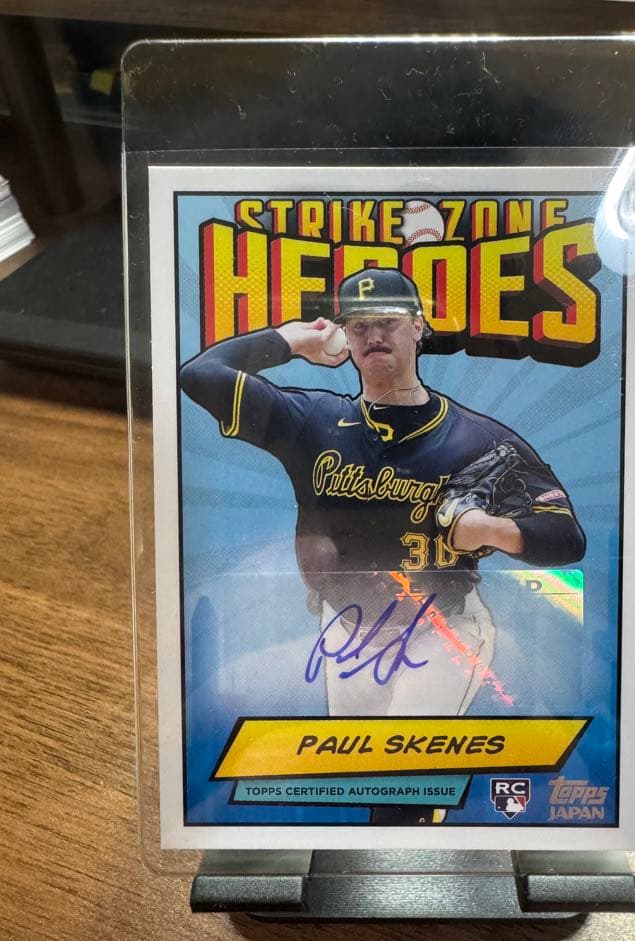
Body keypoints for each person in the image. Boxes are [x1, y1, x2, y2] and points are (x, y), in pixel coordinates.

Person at [180, 268, 585, 824]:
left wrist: (494, 530)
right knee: (372, 786)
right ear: (345, 336)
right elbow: (200, 375)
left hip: (443, 629)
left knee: (402, 790)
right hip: (346, 632)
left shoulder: (481, 439)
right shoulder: (312, 421)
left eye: (388, 322)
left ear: (418, 327)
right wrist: (291, 339)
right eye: (359, 325)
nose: (373, 335)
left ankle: (421, 857)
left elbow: (567, 537)